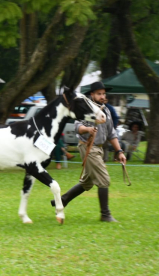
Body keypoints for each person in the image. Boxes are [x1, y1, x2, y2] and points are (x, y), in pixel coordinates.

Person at [52, 82, 126, 223]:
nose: (102, 96)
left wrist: (120, 151)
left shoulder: (106, 111)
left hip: (99, 148)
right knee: (104, 180)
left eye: (103, 93)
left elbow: (111, 133)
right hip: (88, 147)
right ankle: (105, 215)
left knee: (87, 183)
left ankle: (62, 200)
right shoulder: (85, 108)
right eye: (99, 94)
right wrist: (87, 130)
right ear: (91, 94)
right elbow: (78, 127)